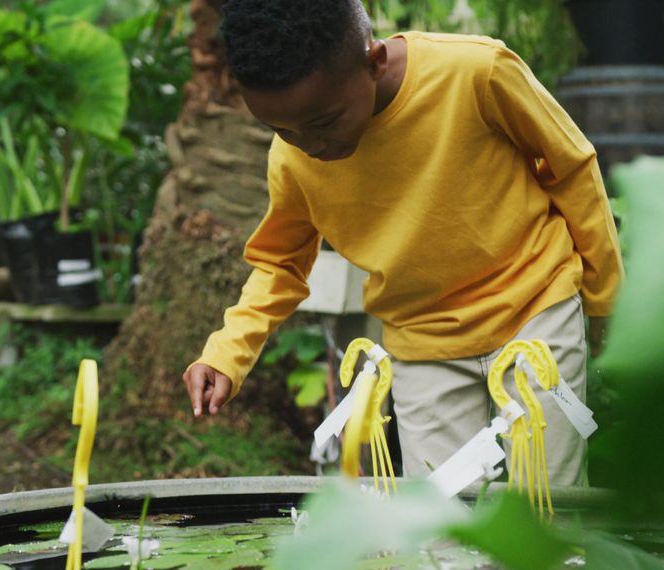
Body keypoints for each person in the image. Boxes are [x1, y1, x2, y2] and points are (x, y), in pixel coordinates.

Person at [181, 0, 623, 485]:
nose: (309, 145)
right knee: (440, 531)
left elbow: (571, 168)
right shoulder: (291, 157)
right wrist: (225, 353)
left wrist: (604, 302)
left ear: (373, 63)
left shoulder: (476, 71)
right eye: (281, 130)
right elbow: (278, 265)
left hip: (535, 309)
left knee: (548, 509)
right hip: (422, 340)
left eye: (324, 123)